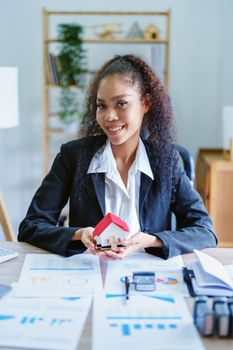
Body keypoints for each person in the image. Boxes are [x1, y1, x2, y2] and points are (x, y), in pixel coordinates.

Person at [18, 54, 217, 259]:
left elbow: (205, 231)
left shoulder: (165, 160)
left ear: (145, 102)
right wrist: (78, 234)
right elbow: (31, 227)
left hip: (148, 274)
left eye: (121, 103)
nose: (109, 117)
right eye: (101, 105)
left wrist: (152, 240)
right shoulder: (73, 156)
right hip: (90, 274)